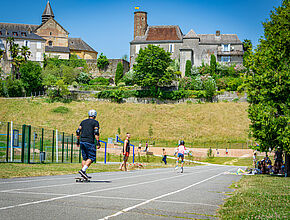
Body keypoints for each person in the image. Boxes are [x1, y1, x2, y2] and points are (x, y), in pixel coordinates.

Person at [76, 109, 101, 180]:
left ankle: (83, 174)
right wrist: (98, 142)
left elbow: (78, 131)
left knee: (85, 158)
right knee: (92, 157)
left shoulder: (83, 122)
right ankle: (83, 171)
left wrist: (78, 140)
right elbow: (96, 132)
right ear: (95, 115)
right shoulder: (95, 122)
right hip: (89, 141)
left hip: (82, 141)